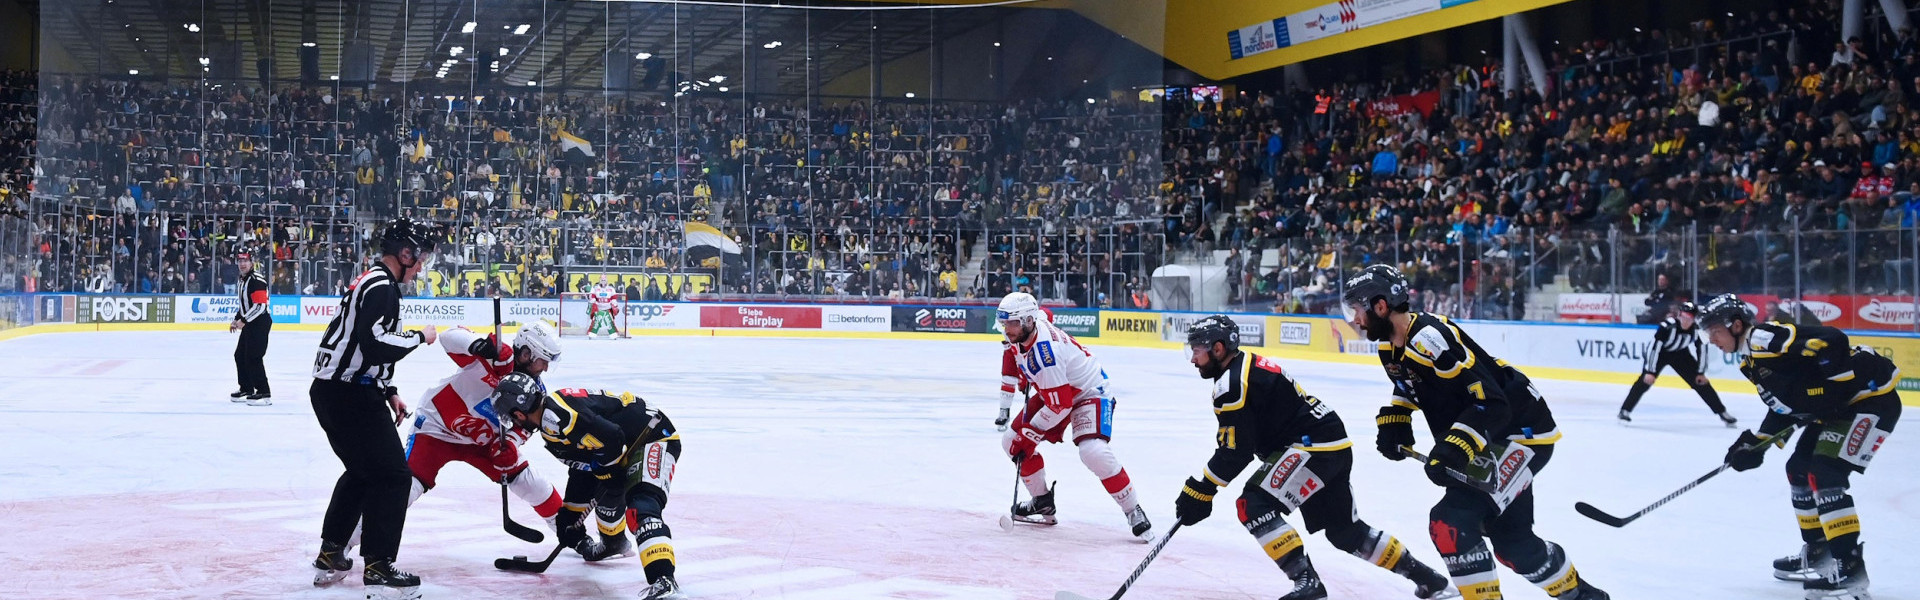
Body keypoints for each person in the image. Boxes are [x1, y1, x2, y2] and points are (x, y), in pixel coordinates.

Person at [1341, 265, 1609, 600]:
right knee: (1515, 545)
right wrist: (1397, 419)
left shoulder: (1428, 339)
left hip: (1520, 436)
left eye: (1357, 309)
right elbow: (1409, 385)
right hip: (1492, 437)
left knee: (1450, 524)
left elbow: (1493, 404)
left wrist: (1456, 447)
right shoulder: (1390, 346)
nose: (1355, 319)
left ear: (1380, 306)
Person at [1175, 315, 1454, 600]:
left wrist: (1202, 489)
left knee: (1253, 505)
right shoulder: (1244, 367)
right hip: (1330, 442)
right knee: (1346, 532)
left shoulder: (1233, 384)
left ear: (1218, 349)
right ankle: (1430, 580)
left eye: (1197, 351)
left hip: (1311, 446)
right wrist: (1204, 489)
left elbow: (1236, 452)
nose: (1193, 359)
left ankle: (1307, 582)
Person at [1698, 294, 1898, 600]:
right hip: (1840, 410)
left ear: (1736, 325)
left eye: (1714, 332)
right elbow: (1785, 407)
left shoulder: (1763, 339)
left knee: (1825, 472)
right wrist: (1756, 444)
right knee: (1799, 470)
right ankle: (1820, 553)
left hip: (1871, 401)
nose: (1711, 340)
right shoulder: (1752, 360)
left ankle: (1850, 567)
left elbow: (1831, 339)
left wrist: (1835, 385)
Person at [308, 217, 442, 597]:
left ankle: (332, 552)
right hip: (350, 395)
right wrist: (421, 336)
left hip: (333, 391)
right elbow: (376, 343)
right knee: (395, 477)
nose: (421, 267)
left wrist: (389, 391)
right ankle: (380, 567)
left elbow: (365, 351)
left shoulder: (371, 281)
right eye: (421, 258)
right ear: (405, 253)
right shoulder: (382, 285)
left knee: (363, 471)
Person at [383, 322, 567, 545]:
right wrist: (480, 346)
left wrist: (509, 444)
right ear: (527, 354)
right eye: (543, 361)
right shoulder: (494, 356)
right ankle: (343, 545)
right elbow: (449, 337)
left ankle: (570, 533)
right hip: (437, 428)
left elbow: (525, 427)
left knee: (532, 482)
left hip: (483, 442)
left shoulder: (535, 390)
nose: (545, 368)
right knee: (404, 490)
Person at [499, 384, 684, 600]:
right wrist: (570, 515)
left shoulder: (560, 416)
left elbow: (612, 437)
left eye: (512, 419)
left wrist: (607, 472)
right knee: (608, 491)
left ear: (519, 413)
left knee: (641, 508)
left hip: (652, 438)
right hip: (627, 444)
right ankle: (613, 543)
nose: (514, 423)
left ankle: (665, 582)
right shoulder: (551, 426)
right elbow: (584, 467)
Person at [996, 292, 1151, 540]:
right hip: (1056, 389)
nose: (1007, 329)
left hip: (1088, 391)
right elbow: (1043, 319)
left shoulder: (1046, 354)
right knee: (1009, 442)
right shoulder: (1026, 329)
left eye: (1012, 323)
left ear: (1027, 320)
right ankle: (1042, 501)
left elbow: (1061, 406)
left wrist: (1030, 435)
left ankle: (1133, 509)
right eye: (1004, 322)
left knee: (1093, 451)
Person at [1618, 301, 1737, 426]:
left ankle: (1722, 412)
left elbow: (1702, 349)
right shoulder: (1667, 326)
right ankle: (1625, 410)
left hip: (1680, 354)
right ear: (1679, 315)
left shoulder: (1697, 329)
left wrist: (1700, 372)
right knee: (1644, 381)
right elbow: (1654, 348)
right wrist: (1650, 371)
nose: (1685, 320)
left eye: (1689, 318)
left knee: (1701, 383)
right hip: (1661, 354)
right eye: (1683, 316)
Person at [229, 251, 272, 406]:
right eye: (239, 261)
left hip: (260, 323)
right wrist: (236, 319)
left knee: (254, 357)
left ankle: (264, 392)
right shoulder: (242, 280)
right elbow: (244, 305)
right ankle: (246, 388)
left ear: (252, 262)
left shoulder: (256, 280)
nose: (242, 264)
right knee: (240, 356)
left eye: (245, 261)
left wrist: (244, 320)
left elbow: (260, 306)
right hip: (250, 323)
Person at [588, 275, 623, 339]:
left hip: (608, 307)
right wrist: (593, 301)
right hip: (598, 307)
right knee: (596, 320)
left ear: (606, 280)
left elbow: (614, 298)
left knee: (609, 321)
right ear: (600, 280)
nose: (603, 281)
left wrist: (614, 304)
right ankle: (592, 334)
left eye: (604, 280)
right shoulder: (595, 288)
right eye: (602, 280)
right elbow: (592, 296)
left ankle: (613, 334)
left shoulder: (611, 289)